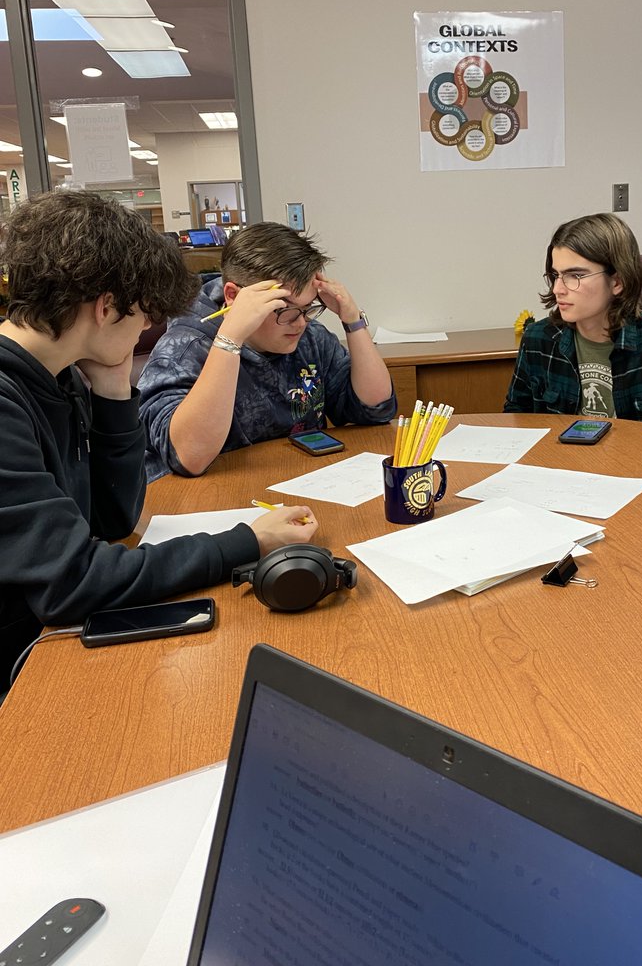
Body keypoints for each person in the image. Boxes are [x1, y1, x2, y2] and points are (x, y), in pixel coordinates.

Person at [0, 192, 318, 689]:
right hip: (20, 671)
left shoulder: (61, 378)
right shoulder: (6, 404)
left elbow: (112, 519)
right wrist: (248, 541)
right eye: (145, 313)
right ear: (107, 308)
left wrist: (111, 390)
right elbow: (74, 583)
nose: (148, 327)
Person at [139, 221, 396, 482]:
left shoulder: (310, 336)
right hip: (216, 500)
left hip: (299, 485)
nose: (300, 322)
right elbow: (189, 457)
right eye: (285, 309)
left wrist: (352, 320)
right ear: (233, 296)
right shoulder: (185, 349)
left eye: (308, 307)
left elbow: (375, 409)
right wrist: (231, 338)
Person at [504, 213, 642, 420]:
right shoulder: (538, 339)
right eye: (556, 275)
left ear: (617, 282)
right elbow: (517, 421)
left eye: (575, 276)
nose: (558, 289)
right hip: (560, 453)